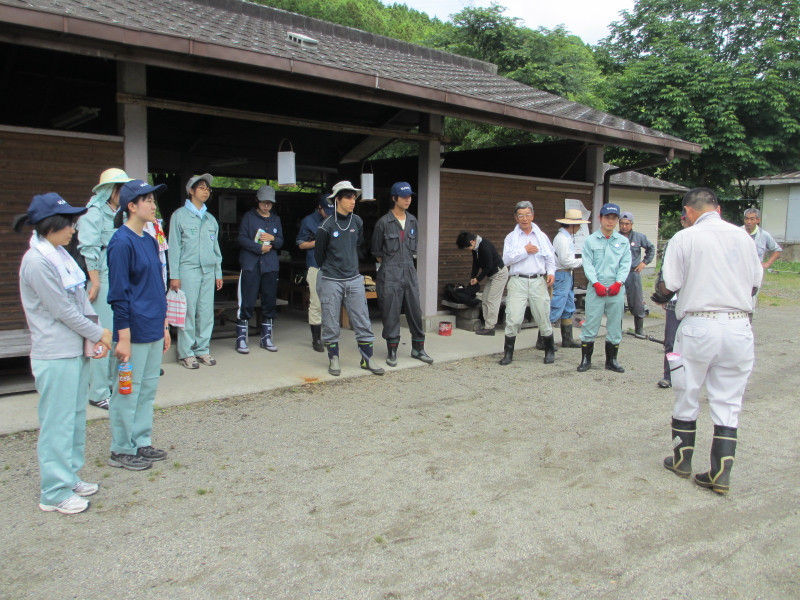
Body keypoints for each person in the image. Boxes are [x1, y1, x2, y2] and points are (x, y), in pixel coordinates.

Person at [657, 188, 762, 495]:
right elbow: (755, 283)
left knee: (687, 392)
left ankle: (682, 461)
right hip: (739, 325)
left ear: (688, 211)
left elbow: (670, 285)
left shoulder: (684, 237)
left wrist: (660, 295)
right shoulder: (744, 237)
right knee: (729, 399)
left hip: (699, 324)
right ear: (717, 207)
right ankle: (720, 473)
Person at [15, 193, 113, 514]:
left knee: (74, 418)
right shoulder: (37, 260)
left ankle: (68, 476)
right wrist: (98, 333)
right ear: (51, 225)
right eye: (69, 223)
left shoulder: (61, 255)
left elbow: (82, 299)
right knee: (57, 422)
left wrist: (93, 339)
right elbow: (61, 310)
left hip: (74, 349)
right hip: (54, 353)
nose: (74, 228)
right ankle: (53, 491)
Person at [106, 179, 172, 471]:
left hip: (153, 326)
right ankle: (121, 448)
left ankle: (141, 440)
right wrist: (122, 336)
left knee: (147, 389)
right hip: (132, 331)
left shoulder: (148, 238)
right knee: (127, 391)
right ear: (131, 206)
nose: (153, 205)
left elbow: (157, 284)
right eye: (148, 200)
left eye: (154, 200)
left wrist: (165, 324)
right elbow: (119, 294)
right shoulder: (120, 242)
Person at [314, 181, 384, 377]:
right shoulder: (326, 226)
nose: (353, 200)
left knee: (362, 318)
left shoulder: (357, 222)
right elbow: (319, 256)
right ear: (337, 199)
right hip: (330, 279)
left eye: (354, 197)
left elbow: (358, 244)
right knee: (330, 320)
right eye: (348, 197)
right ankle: (333, 358)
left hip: (353, 278)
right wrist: (333, 268)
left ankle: (367, 358)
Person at [77, 168, 132, 409]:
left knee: (118, 334)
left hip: (120, 277)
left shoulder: (121, 213)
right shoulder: (93, 213)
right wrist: (95, 280)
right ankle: (98, 391)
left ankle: (110, 384)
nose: (123, 193)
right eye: (119, 189)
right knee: (103, 335)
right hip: (102, 278)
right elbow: (88, 248)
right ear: (110, 191)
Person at [371, 181, 433, 366]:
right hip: (389, 273)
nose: (408, 199)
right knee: (391, 312)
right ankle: (392, 352)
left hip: (410, 271)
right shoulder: (383, 222)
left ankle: (418, 349)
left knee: (415, 310)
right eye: (404, 196)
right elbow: (376, 252)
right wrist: (392, 266)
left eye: (410, 196)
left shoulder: (413, 220)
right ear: (394, 198)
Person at [167, 174, 223, 369]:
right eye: (201, 187)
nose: (205, 191)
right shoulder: (179, 216)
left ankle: (202, 350)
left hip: (208, 271)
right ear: (191, 191)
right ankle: (186, 352)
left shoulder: (210, 219)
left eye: (208, 188)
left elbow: (216, 249)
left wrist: (218, 272)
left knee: (206, 312)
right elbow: (174, 247)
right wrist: (174, 275)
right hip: (188, 270)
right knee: (188, 312)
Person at [499, 201, 556, 366]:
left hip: (538, 280)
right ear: (516, 217)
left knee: (543, 316)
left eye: (528, 215)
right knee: (513, 317)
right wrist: (525, 251)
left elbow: (550, 257)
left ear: (533, 216)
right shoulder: (511, 237)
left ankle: (549, 350)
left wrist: (551, 272)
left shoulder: (542, 236)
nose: (524, 218)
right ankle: (508, 354)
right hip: (517, 281)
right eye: (521, 215)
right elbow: (506, 259)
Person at [577, 203, 631, 373]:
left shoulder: (623, 242)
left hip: (615, 289)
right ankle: (586, 359)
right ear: (600, 218)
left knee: (615, 325)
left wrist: (619, 282)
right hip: (596, 288)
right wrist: (595, 283)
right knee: (591, 323)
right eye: (607, 217)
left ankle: (612, 360)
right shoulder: (591, 241)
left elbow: (625, 264)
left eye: (614, 218)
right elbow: (588, 264)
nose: (610, 221)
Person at [236, 185, 284, 354]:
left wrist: (273, 239)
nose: (266, 206)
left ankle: (266, 337)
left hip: (270, 265)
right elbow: (241, 238)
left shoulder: (275, 219)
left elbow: (281, 242)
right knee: (247, 300)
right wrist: (258, 248)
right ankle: (241, 338)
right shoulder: (249, 217)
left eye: (269, 203)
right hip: (251, 264)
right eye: (264, 202)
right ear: (258, 201)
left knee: (269, 300)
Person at [655, 210, 689, 389]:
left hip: (694, 301)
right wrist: (662, 294)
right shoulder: (673, 241)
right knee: (670, 340)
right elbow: (664, 271)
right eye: (683, 219)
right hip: (674, 299)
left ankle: (688, 376)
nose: (686, 222)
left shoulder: (703, 243)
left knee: (692, 342)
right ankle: (668, 375)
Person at [296, 195, 334, 352]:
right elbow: (300, 244)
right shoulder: (308, 221)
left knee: (332, 303)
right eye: (326, 211)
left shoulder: (337, 218)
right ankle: (316, 339)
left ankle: (330, 335)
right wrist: (318, 242)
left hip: (333, 266)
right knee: (316, 303)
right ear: (319, 208)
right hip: (315, 266)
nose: (329, 214)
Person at [549, 208, 589, 348]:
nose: (579, 228)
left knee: (568, 306)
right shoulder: (562, 239)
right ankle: (544, 339)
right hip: (562, 273)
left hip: (566, 273)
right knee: (556, 305)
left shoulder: (565, 237)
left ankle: (567, 339)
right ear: (573, 225)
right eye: (579, 225)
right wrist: (583, 261)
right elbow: (566, 261)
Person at [456, 231, 508, 336]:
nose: (467, 249)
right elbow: (476, 263)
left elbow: (488, 266)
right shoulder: (476, 248)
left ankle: (490, 327)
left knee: (492, 300)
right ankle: (487, 325)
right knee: (485, 298)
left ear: (472, 241)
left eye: (467, 247)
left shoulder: (484, 246)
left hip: (499, 274)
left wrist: (478, 279)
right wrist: (473, 277)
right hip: (491, 275)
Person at [618, 211, 655, 338]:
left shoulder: (639, 237)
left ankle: (639, 330)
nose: (624, 226)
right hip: (618, 273)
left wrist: (644, 263)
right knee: (616, 302)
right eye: (622, 223)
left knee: (637, 301)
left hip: (633, 273)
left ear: (632, 224)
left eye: (627, 224)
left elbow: (651, 248)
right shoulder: (614, 237)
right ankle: (616, 330)